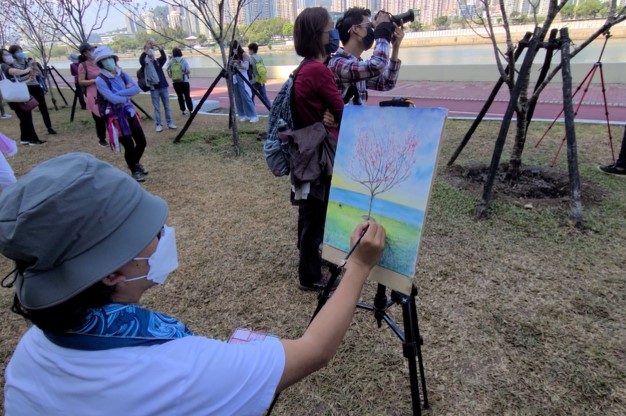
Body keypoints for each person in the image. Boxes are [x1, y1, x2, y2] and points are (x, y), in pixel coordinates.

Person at [0, 152, 385, 415]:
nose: (164, 234)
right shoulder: (175, 371)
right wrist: (358, 266)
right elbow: (313, 352)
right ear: (111, 272)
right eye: (149, 233)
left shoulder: (31, 351)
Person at [292, 7, 345, 291]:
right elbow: (343, 111)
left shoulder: (303, 68)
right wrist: (337, 116)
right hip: (320, 154)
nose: (334, 33)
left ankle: (308, 259)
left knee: (309, 211)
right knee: (316, 214)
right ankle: (310, 275)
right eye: (330, 29)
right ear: (319, 35)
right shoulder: (318, 71)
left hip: (306, 150)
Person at [328, 8, 404, 105]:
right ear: (355, 29)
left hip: (357, 120)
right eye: (368, 26)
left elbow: (387, 83)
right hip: (345, 120)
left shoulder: (357, 63)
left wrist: (395, 48)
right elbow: (378, 65)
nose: (371, 31)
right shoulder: (338, 63)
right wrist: (382, 30)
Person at [94, 46, 148, 182]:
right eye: (104, 60)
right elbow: (111, 99)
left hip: (128, 112)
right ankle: (135, 170)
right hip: (115, 116)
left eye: (109, 58)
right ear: (100, 64)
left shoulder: (121, 73)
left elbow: (136, 89)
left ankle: (134, 164)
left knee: (141, 142)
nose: (108, 62)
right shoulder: (100, 80)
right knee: (129, 145)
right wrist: (126, 94)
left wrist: (118, 93)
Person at [8, 45, 57, 135]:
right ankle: (30, 131)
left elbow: (38, 74)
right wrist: (28, 75)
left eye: (21, 51)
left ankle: (49, 127)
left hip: (35, 86)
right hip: (24, 87)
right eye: (17, 52)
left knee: (43, 107)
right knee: (26, 110)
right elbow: (17, 79)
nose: (20, 53)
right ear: (13, 54)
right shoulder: (12, 65)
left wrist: (35, 69)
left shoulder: (29, 61)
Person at [0, 49, 46, 146]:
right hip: (17, 97)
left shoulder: (4, 67)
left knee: (24, 118)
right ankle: (33, 139)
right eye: (6, 54)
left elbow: (16, 82)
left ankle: (24, 138)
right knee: (26, 117)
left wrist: (29, 78)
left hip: (13, 96)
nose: (9, 56)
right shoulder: (3, 66)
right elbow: (14, 72)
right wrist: (26, 70)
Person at [139, 39, 175, 132]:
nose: (151, 52)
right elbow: (141, 59)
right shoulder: (145, 64)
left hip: (163, 86)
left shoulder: (158, 61)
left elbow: (164, 56)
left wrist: (157, 45)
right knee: (157, 107)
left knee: (167, 106)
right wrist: (146, 48)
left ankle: (170, 123)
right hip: (154, 88)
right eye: (149, 50)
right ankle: (158, 124)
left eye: (152, 50)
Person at [77, 42, 108, 147]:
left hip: (105, 90)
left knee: (111, 113)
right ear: (85, 53)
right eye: (91, 50)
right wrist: (95, 80)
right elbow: (81, 81)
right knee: (99, 117)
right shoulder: (83, 65)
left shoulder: (100, 61)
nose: (93, 51)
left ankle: (116, 134)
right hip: (93, 93)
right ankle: (102, 138)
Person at [230, 40, 258, 123]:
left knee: (246, 96)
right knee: (237, 97)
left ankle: (253, 115)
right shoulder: (232, 56)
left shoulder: (244, 55)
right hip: (234, 77)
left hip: (242, 77)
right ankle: (242, 114)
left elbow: (246, 67)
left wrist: (238, 63)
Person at [166, 47, 193, 116]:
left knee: (180, 96)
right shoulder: (184, 61)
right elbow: (188, 71)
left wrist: (171, 76)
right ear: (180, 53)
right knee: (187, 96)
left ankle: (183, 110)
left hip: (176, 82)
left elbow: (167, 70)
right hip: (184, 81)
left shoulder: (171, 61)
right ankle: (190, 110)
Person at [247, 42, 271, 107]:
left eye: (249, 50)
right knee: (264, 97)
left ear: (252, 50)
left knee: (251, 97)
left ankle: (253, 113)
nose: (248, 51)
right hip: (261, 80)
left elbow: (247, 69)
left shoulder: (250, 59)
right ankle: (271, 110)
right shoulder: (260, 58)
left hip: (253, 81)